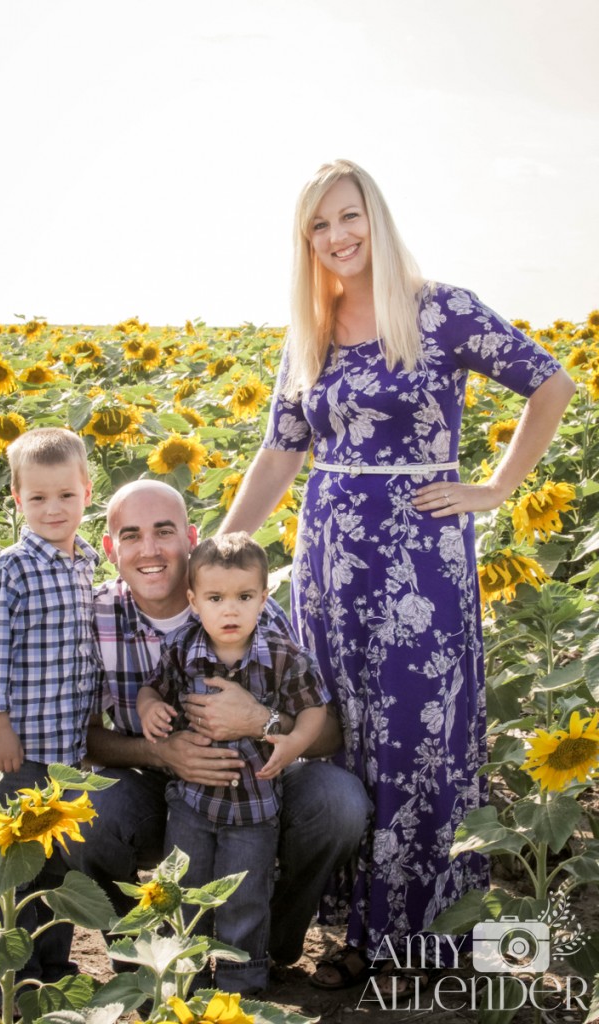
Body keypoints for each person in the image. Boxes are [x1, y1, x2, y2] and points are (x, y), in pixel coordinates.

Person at [218, 159, 576, 992]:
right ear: (304, 240)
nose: (337, 237)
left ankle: (423, 940)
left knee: (421, 744)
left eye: (349, 217)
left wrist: (495, 488)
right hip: (330, 566)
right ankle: (358, 935)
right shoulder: (310, 326)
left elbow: (550, 383)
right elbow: (281, 451)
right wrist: (225, 543)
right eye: (319, 226)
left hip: (423, 561)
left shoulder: (439, 308)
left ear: (375, 216)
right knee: (340, 741)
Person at [66, 478, 372, 975]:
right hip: (154, 792)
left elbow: (330, 730)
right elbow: (77, 734)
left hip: (254, 786)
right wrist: (160, 751)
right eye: (131, 535)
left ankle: (273, 940)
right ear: (109, 547)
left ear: (190, 539)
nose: (150, 550)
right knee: (86, 811)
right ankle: (143, 955)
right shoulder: (92, 615)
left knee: (340, 803)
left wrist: (261, 719)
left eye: (164, 531)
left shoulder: (246, 606)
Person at [137, 532, 329, 993]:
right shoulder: (183, 649)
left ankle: (242, 981)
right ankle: (185, 973)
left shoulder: (283, 654)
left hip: (254, 806)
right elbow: (152, 688)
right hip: (190, 801)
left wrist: (292, 740)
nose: (230, 610)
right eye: (216, 598)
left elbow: (314, 706)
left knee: (245, 895)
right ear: (194, 600)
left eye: (244, 597)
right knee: (183, 889)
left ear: (264, 598)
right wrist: (149, 709)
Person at [0, 427, 98, 994]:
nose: (54, 508)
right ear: (17, 500)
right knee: (8, 865)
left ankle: (50, 966)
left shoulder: (87, 563)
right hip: (19, 749)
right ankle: (3, 973)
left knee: (56, 866)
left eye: (65, 496)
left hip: (67, 751)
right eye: (39, 498)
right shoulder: (11, 567)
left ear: (87, 494)